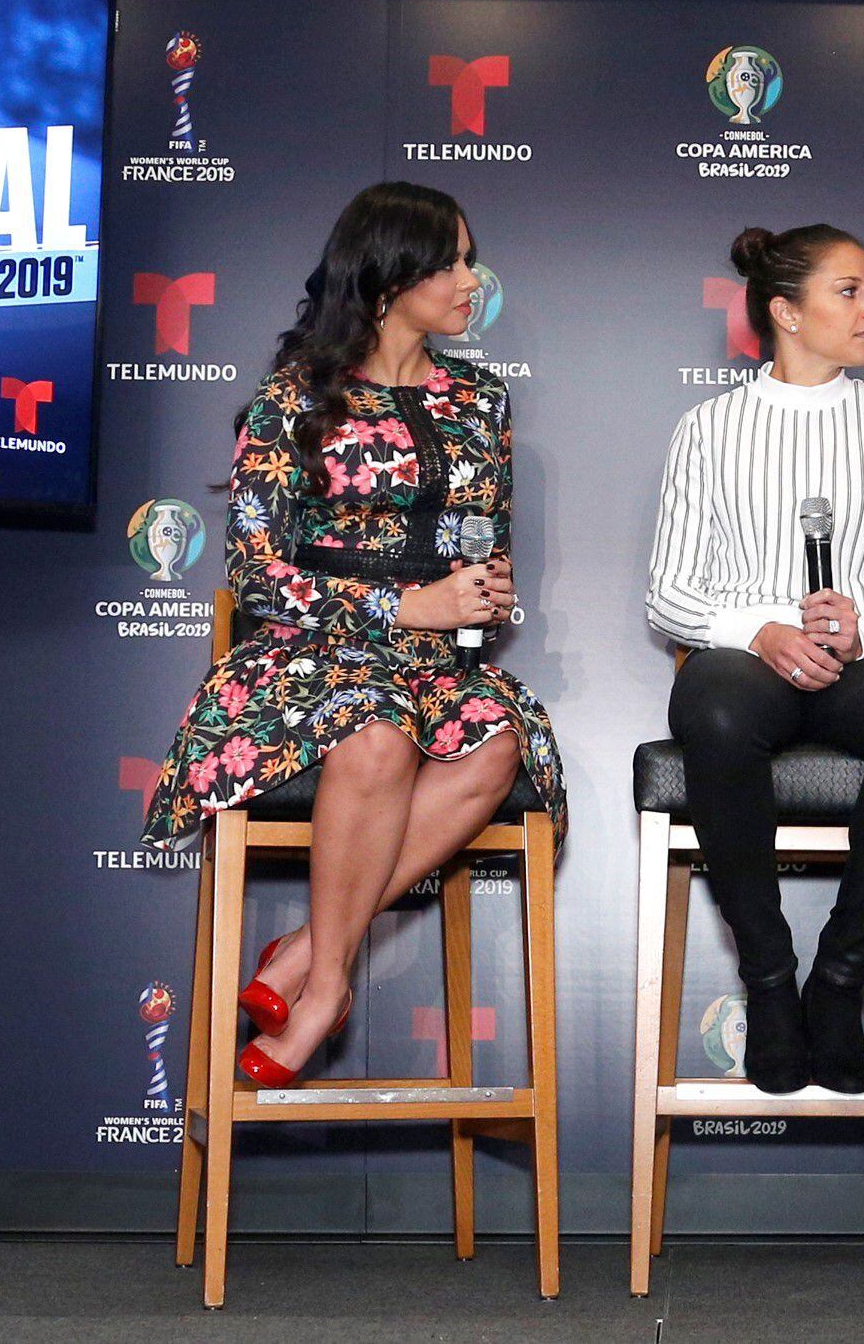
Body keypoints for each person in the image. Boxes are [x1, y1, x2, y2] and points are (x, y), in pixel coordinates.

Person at [141, 181, 566, 1089]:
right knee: (374, 734)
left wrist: (482, 594)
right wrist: (401, 608)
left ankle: (303, 948)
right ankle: (330, 985)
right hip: (311, 656)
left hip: (438, 665)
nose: (469, 277)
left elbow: (484, 544)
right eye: (448, 260)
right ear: (386, 275)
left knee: (496, 745)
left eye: (468, 255)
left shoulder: (481, 401)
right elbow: (254, 571)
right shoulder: (296, 398)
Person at [646, 223, 864, 1096]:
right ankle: (772, 981)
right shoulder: (709, 428)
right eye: (850, 291)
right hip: (746, 665)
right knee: (710, 707)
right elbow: (669, 591)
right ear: (785, 312)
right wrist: (761, 630)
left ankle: (841, 978)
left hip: (860, 663)